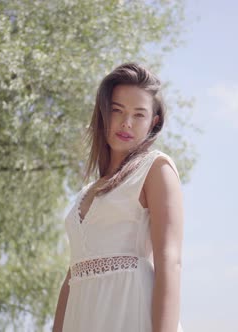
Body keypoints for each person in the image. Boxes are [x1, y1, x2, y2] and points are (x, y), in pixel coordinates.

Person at [52, 62, 185, 332]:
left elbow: (170, 262)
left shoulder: (156, 169)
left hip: (131, 313)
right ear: (103, 114)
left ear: (153, 122)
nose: (126, 123)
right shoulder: (85, 193)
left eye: (139, 115)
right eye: (117, 110)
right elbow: (73, 276)